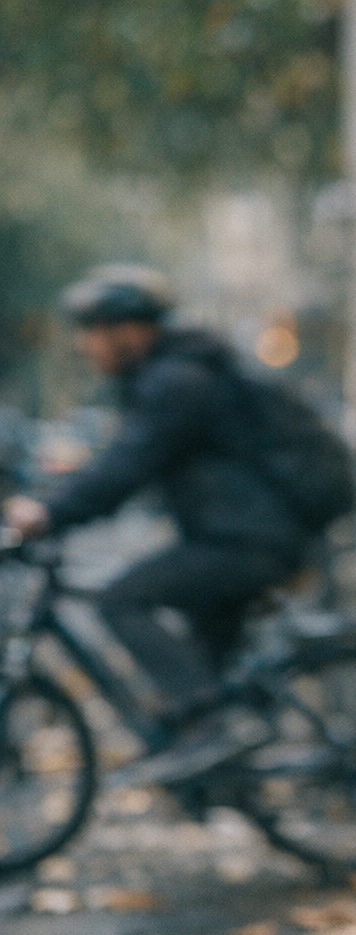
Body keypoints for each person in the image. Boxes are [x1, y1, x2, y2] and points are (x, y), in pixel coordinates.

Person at [4, 265, 312, 780]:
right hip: (242, 537)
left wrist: (50, 513)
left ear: (131, 331)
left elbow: (128, 464)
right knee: (207, 662)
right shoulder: (176, 373)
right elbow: (121, 462)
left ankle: (216, 727)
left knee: (121, 599)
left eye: (93, 330)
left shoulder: (178, 381)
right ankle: (217, 767)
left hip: (248, 542)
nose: (85, 346)